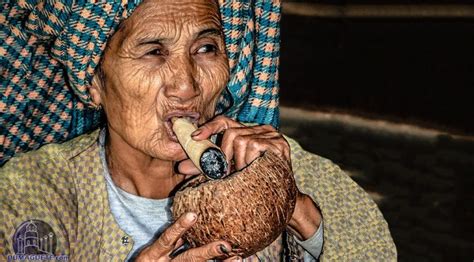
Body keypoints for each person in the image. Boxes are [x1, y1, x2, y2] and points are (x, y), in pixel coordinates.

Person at [0, 0, 396, 261]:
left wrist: (293, 208)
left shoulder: (274, 163)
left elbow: (375, 251)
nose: (187, 87)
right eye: (154, 52)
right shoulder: (34, 189)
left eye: (206, 48)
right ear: (95, 83)